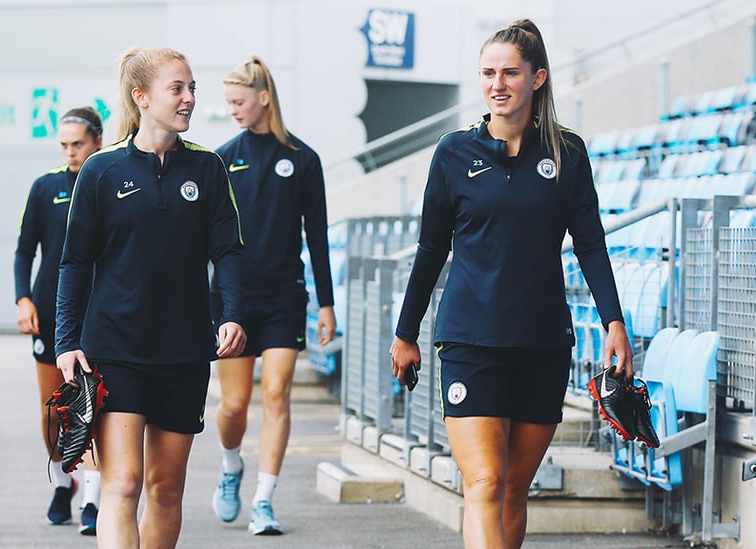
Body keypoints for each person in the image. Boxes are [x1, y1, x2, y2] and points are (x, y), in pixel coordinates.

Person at [388, 19, 633, 549]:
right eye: (487, 73)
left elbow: (590, 243)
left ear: (537, 78)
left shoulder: (568, 154)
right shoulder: (452, 154)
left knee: (515, 490)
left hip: (543, 343)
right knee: (484, 483)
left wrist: (614, 321)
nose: (497, 84)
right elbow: (432, 250)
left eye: (510, 73)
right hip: (470, 341)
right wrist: (406, 332)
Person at [55, 47, 246, 549]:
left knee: (165, 489)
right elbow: (75, 262)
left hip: (184, 351)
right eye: (176, 89)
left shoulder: (208, 169)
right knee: (122, 484)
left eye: (191, 89)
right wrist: (65, 342)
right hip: (115, 349)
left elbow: (229, 251)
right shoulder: (100, 171)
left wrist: (233, 314)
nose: (188, 99)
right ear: (141, 97)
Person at [210, 55, 336, 536]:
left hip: (285, 296)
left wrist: (325, 303)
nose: (234, 110)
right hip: (230, 298)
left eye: (239, 101)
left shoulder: (303, 159)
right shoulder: (221, 159)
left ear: (264, 98)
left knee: (277, 394)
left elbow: (318, 236)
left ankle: (263, 500)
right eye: (228, 103)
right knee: (235, 405)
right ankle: (230, 467)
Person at [13, 106, 104, 534]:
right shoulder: (45, 186)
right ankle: (61, 478)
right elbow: (24, 249)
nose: (70, 152)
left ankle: (93, 498)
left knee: (94, 405)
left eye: (78, 144)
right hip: (50, 310)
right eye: (64, 145)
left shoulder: (108, 183)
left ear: (97, 141)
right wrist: (22, 299)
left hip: (98, 312)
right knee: (54, 409)